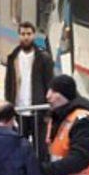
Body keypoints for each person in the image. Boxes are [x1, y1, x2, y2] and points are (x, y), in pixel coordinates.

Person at [4, 21, 54, 155]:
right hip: (19, 110)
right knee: (20, 147)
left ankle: (40, 173)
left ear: (34, 35)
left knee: (40, 149)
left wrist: (49, 112)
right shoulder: (12, 58)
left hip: (38, 110)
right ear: (19, 35)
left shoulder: (44, 58)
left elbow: (50, 84)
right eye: (22, 34)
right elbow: (9, 84)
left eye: (29, 34)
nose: (26, 37)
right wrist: (9, 109)